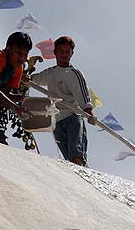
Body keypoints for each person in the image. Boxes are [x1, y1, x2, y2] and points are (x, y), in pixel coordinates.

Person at [29, 36, 96, 166]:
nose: (64, 54)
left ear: (72, 54)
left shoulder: (74, 74)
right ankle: (74, 180)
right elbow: (34, 80)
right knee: (68, 161)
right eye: (61, 51)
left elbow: (83, 94)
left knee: (77, 156)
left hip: (72, 118)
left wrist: (88, 111)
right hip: (56, 121)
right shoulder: (50, 73)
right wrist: (25, 79)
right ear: (55, 52)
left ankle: (84, 177)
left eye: (67, 51)